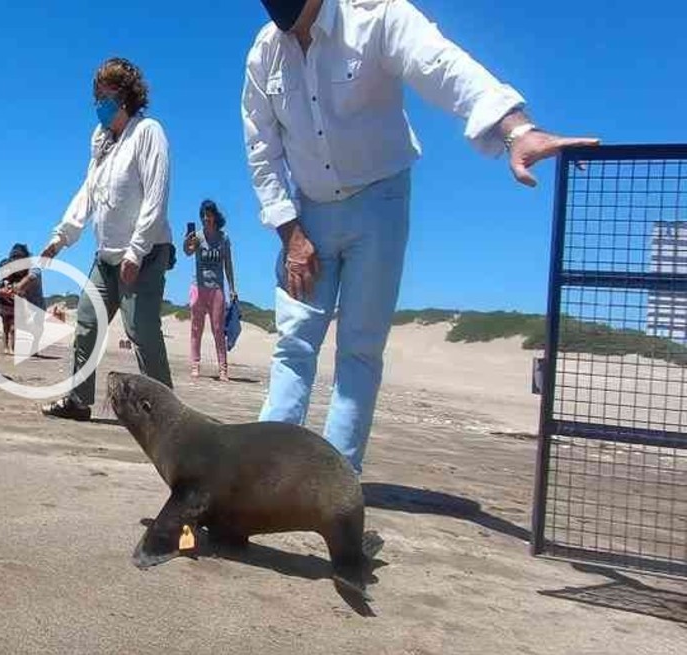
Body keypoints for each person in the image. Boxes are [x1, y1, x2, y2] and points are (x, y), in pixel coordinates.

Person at [243, 0, 599, 472]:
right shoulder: (263, 53)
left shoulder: (376, 15)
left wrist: (516, 130)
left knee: (360, 348)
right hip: (308, 216)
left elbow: (441, 64)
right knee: (294, 342)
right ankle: (264, 474)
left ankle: (334, 484)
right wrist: (290, 233)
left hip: (380, 204)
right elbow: (261, 150)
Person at [39, 57, 175, 421]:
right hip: (107, 255)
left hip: (144, 253)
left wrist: (136, 250)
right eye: (97, 96)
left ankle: (166, 414)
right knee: (87, 322)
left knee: (141, 330)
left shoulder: (148, 132)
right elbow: (89, 192)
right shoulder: (101, 141)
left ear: (127, 95)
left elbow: (156, 196)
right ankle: (78, 401)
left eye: (107, 94)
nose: (100, 102)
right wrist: (62, 236)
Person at [183, 199, 238, 382]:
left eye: (209, 215)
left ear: (215, 216)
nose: (207, 218)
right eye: (204, 215)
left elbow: (228, 264)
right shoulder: (197, 237)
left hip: (216, 289)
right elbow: (188, 252)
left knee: (218, 329)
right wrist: (187, 242)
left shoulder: (224, 238)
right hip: (198, 288)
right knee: (196, 328)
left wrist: (232, 288)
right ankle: (195, 365)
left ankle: (223, 369)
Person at [0, 243, 45, 355]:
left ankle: (34, 345)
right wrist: (1, 292)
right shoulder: (8, 270)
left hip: (33, 311)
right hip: (14, 307)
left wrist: (18, 287)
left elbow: (32, 277)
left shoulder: (34, 267)